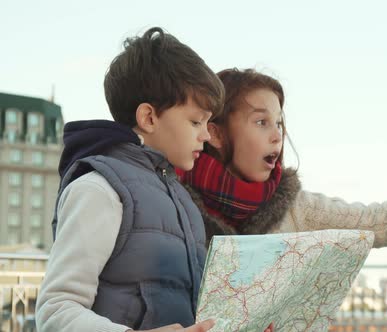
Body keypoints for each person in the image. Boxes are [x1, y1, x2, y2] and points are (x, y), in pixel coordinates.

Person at [36, 28, 273, 332]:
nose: (205, 135)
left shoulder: (184, 202)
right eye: (195, 121)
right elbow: (55, 310)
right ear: (149, 117)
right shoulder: (99, 189)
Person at [178, 68, 387, 248]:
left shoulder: (297, 207)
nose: (277, 134)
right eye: (261, 122)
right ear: (217, 133)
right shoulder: (175, 203)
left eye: (279, 122)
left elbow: (374, 223)